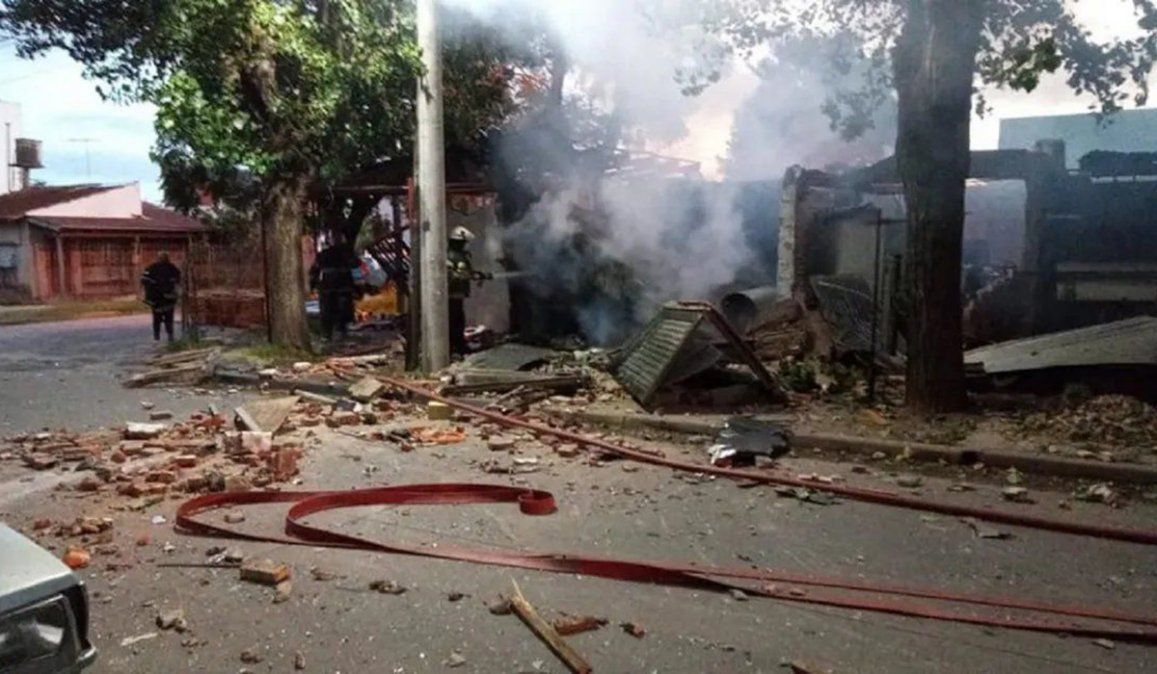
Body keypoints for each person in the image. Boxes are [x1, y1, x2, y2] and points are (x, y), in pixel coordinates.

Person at [447, 226, 490, 355]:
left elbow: (466, 272)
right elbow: (452, 275)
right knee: (455, 322)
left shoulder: (459, 256)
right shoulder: (451, 256)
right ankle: (456, 348)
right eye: (464, 243)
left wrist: (479, 274)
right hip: (451, 296)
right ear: (458, 242)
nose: (466, 245)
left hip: (457, 295)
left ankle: (459, 346)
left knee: (459, 321)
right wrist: (473, 276)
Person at [310, 233, 359, 340]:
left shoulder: (325, 255)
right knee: (339, 309)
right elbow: (355, 268)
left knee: (330, 310)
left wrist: (312, 285)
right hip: (340, 286)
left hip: (330, 287)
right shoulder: (345, 254)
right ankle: (339, 330)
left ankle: (330, 332)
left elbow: (314, 271)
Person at [140, 252, 181, 342]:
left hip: (160, 298)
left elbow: (143, 279)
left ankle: (161, 335)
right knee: (166, 318)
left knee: (160, 318)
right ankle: (164, 335)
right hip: (163, 298)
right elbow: (144, 279)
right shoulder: (169, 268)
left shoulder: (169, 268)